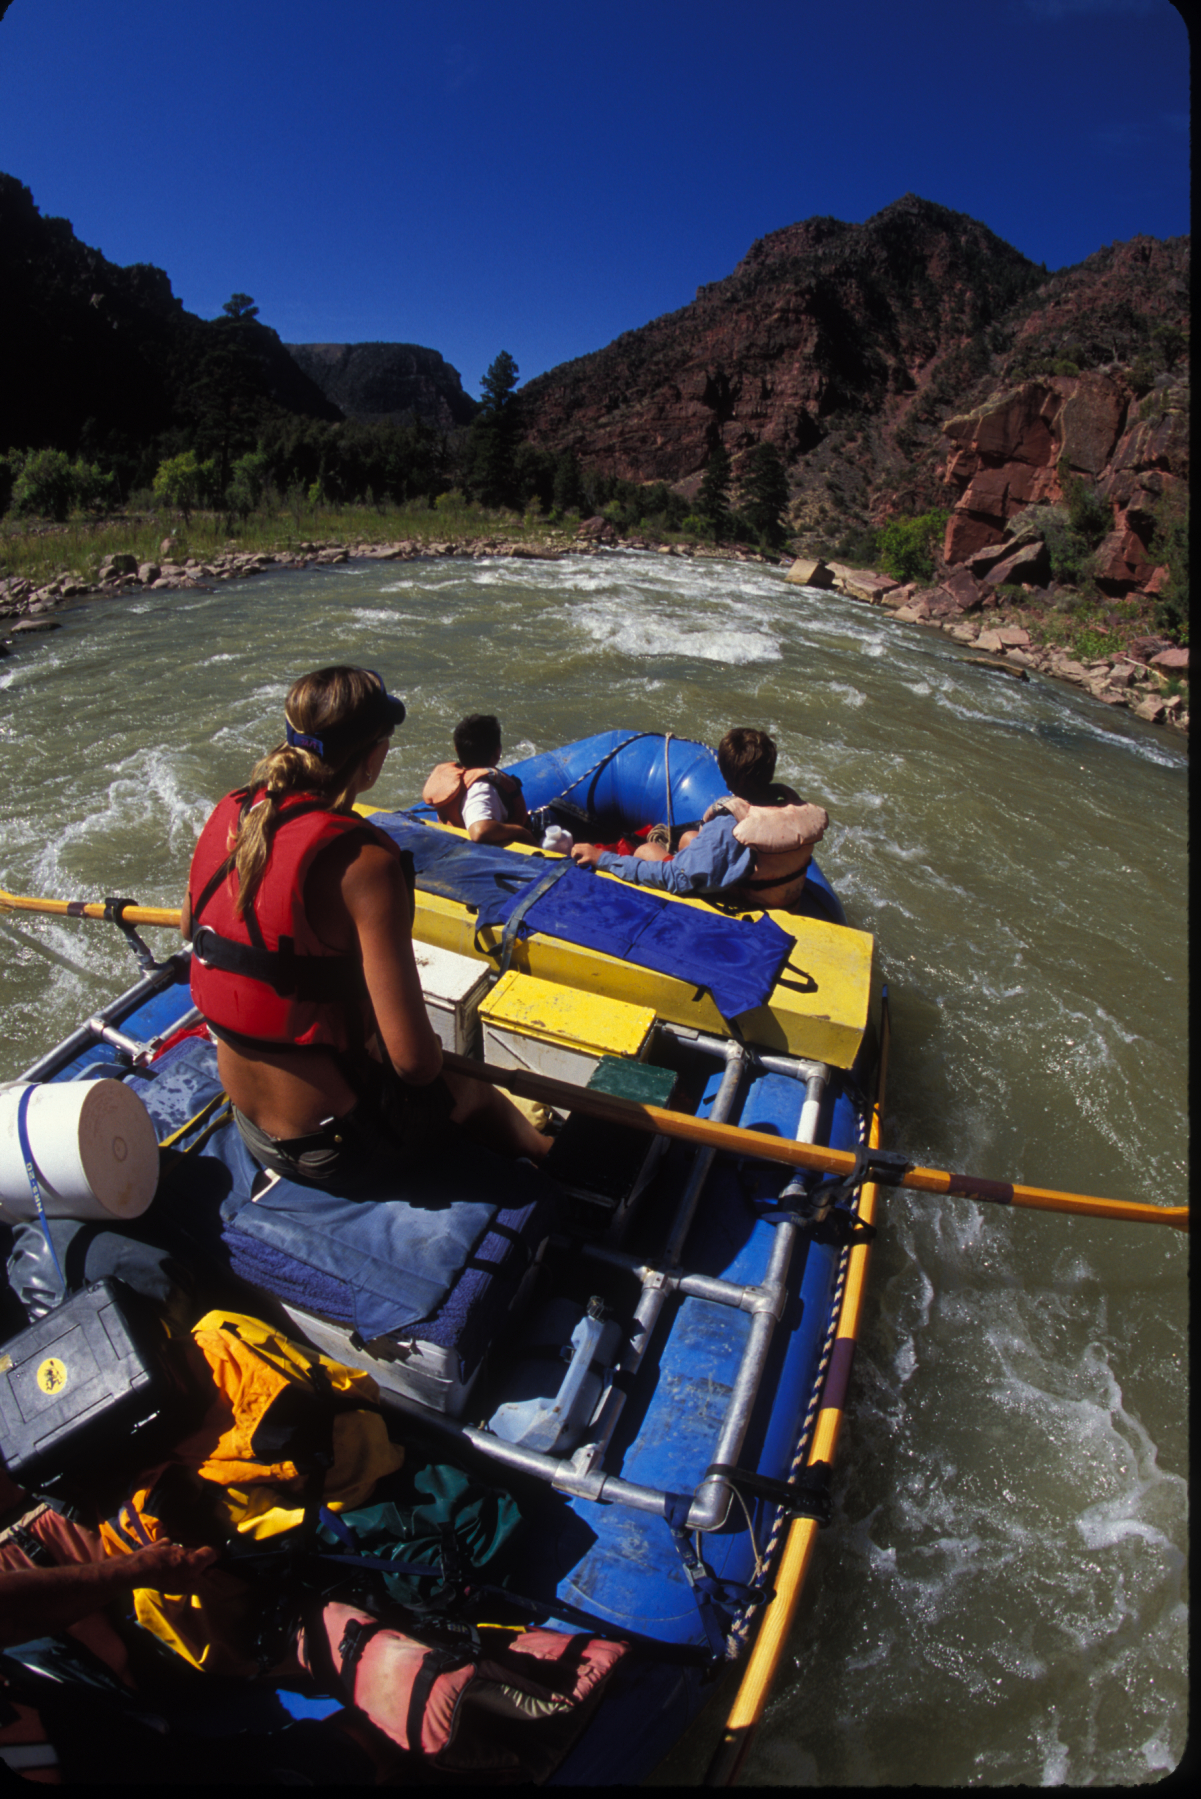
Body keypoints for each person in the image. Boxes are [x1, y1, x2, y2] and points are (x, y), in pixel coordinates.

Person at [182, 667, 550, 1182]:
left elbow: (190, 930)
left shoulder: (232, 810)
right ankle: (549, 1162)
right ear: (373, 756)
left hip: (248, 1118)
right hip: (333, 1146)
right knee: (471, 1091)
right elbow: (415, 1065)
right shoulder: (365, 863)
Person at [570, 727, 829, 911]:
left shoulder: (730, 826)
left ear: (729, 778)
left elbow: (672, 877)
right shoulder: (789, 803)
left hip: (748, 902)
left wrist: (603, 859)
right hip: (778, 891)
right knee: (688, 838)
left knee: (648, 849)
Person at [422, 714, 536, 846]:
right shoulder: (481, 788)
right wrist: (520, 832)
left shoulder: (457, 780)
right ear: (497, 752)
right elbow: (480, 831)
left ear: (457, 750)